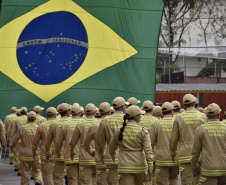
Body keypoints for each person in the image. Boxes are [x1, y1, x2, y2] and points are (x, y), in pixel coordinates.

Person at [109, 105, 153, 185]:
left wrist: (113, 156)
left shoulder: (119, 129)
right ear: (136, 117)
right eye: (140, 115)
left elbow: (111, 147)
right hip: (140, 166)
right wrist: (150, 166)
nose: (141, 117)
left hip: (124, 166)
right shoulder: (142, 130)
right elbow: (148, 150)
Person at [170, 94, 206, 185]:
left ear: (183, 104)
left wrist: (173, 153)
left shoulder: (179, 118)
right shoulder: (203, 116)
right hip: (201, 156)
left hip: (185, 156)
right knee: (200, 181)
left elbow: (173, 139)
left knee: (187, 181)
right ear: (194, 103)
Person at [96, 97, 128, 185]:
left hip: (111, 158)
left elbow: (100, 142)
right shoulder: (129, 119)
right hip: (127, 159)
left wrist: (101, 155)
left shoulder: (105, 121)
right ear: (123, 107)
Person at [191, 103, 226, 185]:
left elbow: (195, 150)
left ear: (206, 115)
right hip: (224, 168)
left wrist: (194, 165)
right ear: (219, 114)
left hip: (208, 169)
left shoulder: (201, 129)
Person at [150, 102, 179, 185]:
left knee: (162, 182)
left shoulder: (157, 124)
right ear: (172, 111)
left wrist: (150, 157)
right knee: (174, 179)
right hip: (175, 158)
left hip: (161, 159)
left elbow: (151, 143)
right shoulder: (177, 122)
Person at [83, 102, 111, 185]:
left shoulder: (94, 125)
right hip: (115, 160)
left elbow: (85, 143)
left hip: (100, 159)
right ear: (109, 112)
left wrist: (91, 152)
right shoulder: (114, 123)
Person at [10, 111, 42, 185]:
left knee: (25, 173)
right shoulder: (39, 128)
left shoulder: (22, 128)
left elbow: (15, 140)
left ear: (27, 118)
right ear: (35, 119)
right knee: (37, 170)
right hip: (36, 154)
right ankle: (38, 180)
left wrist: (11, 147)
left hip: (24, 154)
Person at [69, 103, 98, 185]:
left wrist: (71, 152)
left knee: (84, 182)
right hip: (98, 157)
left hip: (85, 158)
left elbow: (72, 142)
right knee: (97, 180)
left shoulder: (80, 125)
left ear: (84, 113)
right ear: (95, 112)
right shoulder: (100, 124)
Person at [56, 104, 83, 185]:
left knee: (72, 180)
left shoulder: (65, 125)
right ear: (80, 113)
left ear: (70, 113)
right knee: (83, 180)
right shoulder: (84, 123)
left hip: (69, 156)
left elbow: (59, 142)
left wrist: (58, 153)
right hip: (83, 156)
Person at [45, 103, 71, 185]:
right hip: (70, 154)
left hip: (57, 154)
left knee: (57, 178)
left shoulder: (54, 124)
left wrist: (48, 152)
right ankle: (67, 176)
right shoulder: (72, 122)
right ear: (68, 112)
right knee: (73, 178)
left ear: (59, 113)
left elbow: (48, 141)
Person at [32, 107, 57, 185]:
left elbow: (35, 141)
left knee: (47, 175)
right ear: (56, 114)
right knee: (58, 177)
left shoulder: (41, 126)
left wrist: (34, 151)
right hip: (58, 154)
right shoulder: (59, 124)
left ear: (47, 114)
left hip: (45, 154)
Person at [140, 100, 158, 185]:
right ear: (152, 109)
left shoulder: (139, 121)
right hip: (154, 152)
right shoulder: (157, 121)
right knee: (153, 176)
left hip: (141, 153)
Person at [10, 107, 28, 175]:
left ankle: (18, 168)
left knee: (17, 154)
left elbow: (13, 131)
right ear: (26, 112)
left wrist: (11, 140)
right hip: (26, 140)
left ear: (20, 112)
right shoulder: (28, 119)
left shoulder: (16, 120)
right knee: (26, 154)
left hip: (18, 140)